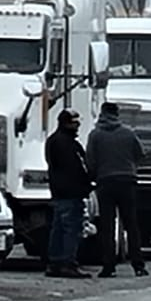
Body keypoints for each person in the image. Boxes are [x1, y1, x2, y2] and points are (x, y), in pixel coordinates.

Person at [86, 101, 148, 277]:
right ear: (117, 114)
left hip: (105, 181)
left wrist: (93, 176)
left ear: (102, 113)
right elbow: (141, 154)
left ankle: (108, 266)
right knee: (131, 224)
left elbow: (90, 160)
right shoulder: (128, 133)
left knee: (107, 225)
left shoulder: (95, 135)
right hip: (127, 180)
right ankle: (138, 265)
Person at [44, 109, 91, 278]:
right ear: (67, 123)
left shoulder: (52, 141)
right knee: (71, 229)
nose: (77, 126)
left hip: (57, 192)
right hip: (71, 193)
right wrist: (87, 184)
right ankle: (67, 263)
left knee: (58, 228)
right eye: (75, 123)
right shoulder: (69, 145)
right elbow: (77, 168)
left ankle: (54, 263)